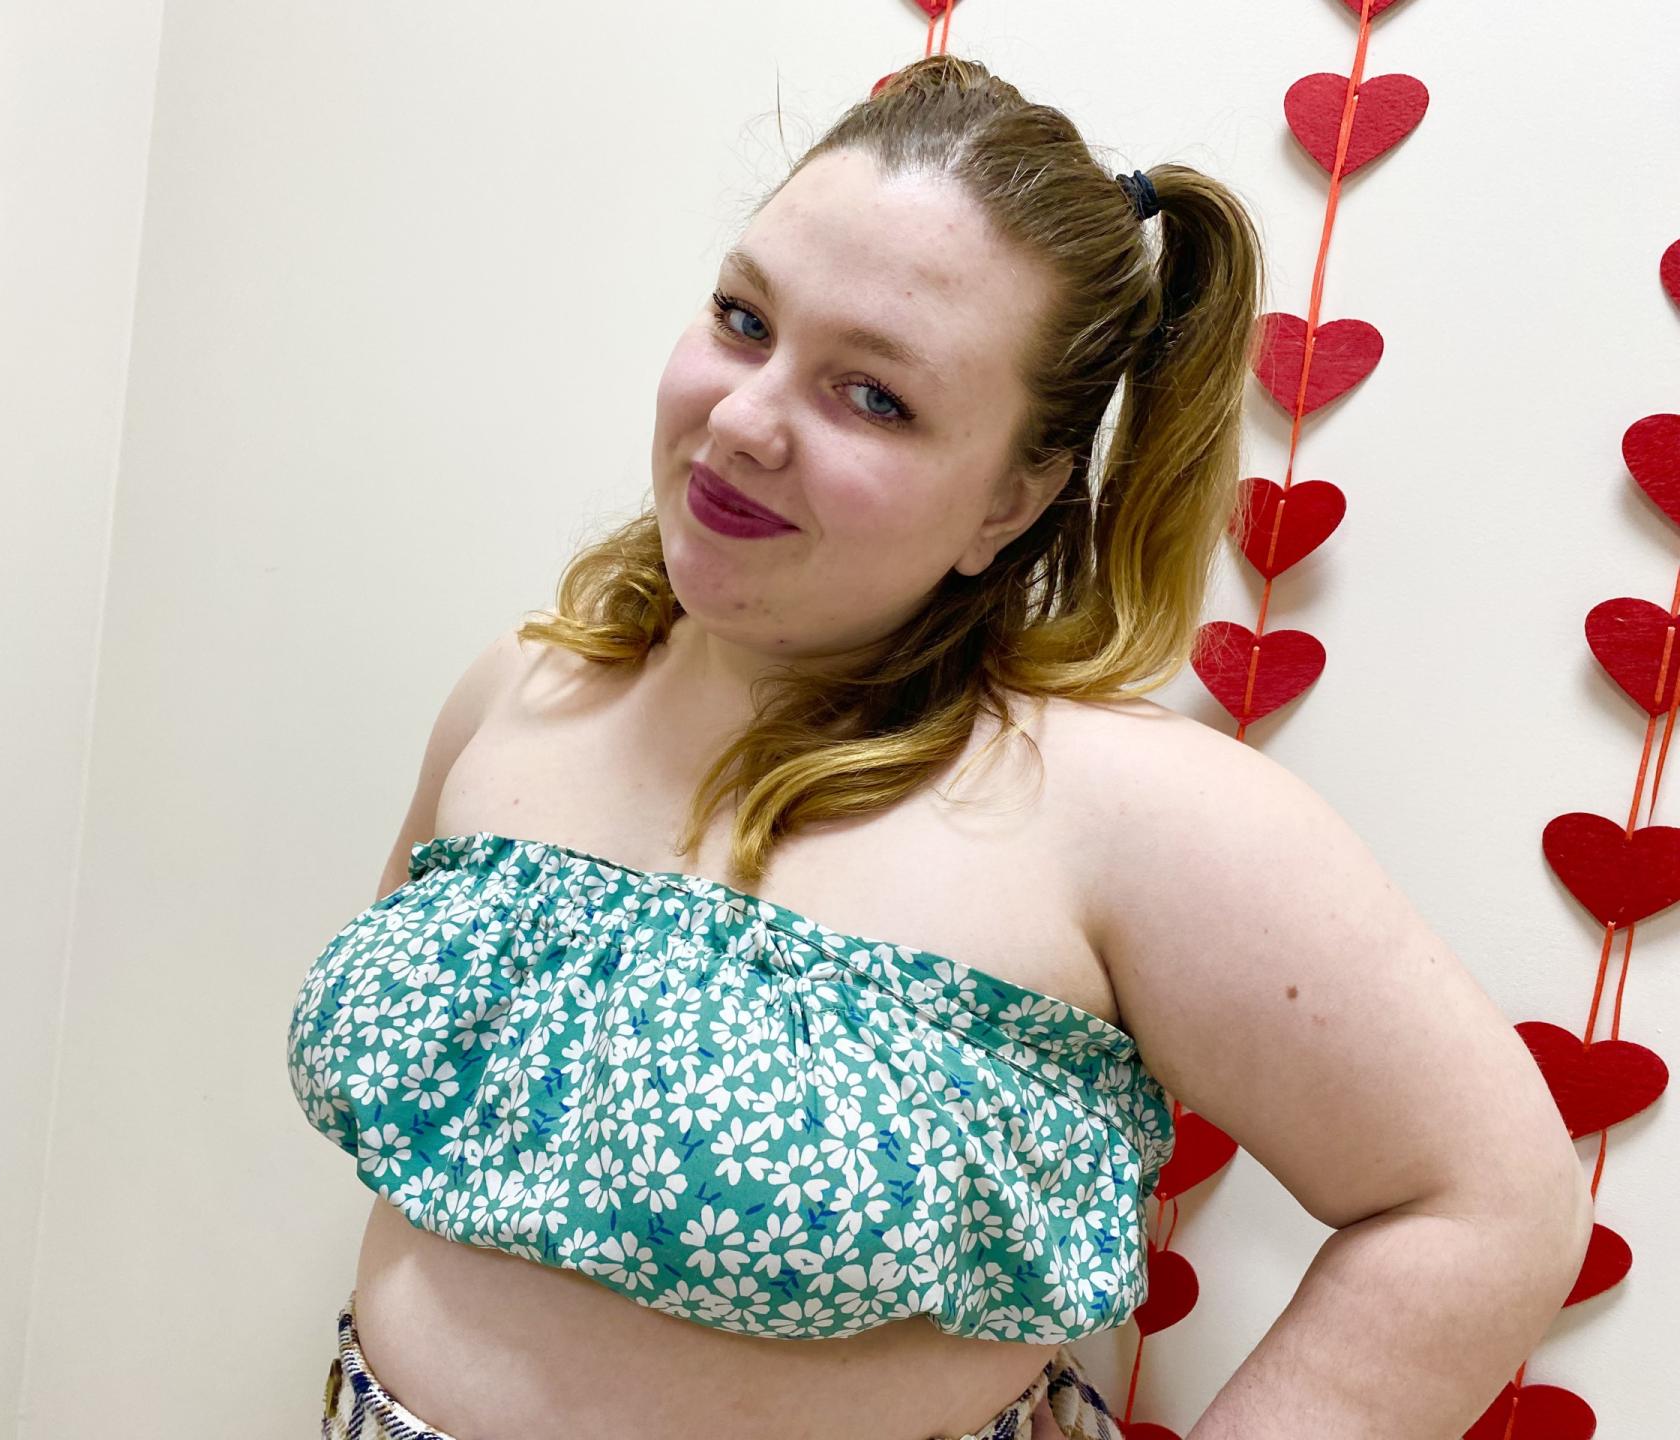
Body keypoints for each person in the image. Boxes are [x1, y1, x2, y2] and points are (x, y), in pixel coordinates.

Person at [288, 53, 1591, 1440]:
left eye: (875, 397)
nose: (742, 420)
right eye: (743, 319)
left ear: (1012, 501)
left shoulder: (1121, 811)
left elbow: (1487, 1207)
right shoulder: (519, 690)